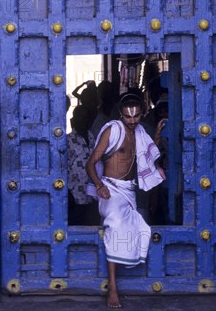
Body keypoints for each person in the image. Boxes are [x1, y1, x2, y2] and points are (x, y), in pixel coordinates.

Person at [85, 93, 166, 309]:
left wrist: (156, 135)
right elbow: (90, 163)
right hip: (110, 189)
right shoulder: (114, 130)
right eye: (128, 117)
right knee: (117, 226)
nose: (132, 121)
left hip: (128, 191)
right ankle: (113, 287)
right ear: (121, 114)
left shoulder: (140, 131)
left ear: (141, 114)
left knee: (142, 227)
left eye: (137, 116)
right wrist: (100, 186)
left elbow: (146, 154)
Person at [67, 105, 100, 225]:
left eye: (85, 117)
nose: (83, 120)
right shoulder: (67, 141)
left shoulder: (94, 138)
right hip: (75, 196)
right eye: (80, 117)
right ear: (73, 120)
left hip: (93, 196)